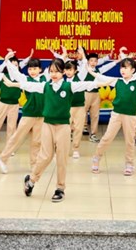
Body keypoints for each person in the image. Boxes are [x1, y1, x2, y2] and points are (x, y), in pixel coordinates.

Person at [7, 58, 96, 203]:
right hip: (47, 125)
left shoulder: (69, 86)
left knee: (61, 158)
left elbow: (89, 84)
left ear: (63, 72)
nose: (54, 74)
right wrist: (12, 84)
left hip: (63, 126)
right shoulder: (45, 86)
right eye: (51, 71)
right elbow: (28, 85)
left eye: (57, 71)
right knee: (45, 156)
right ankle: (31, 180)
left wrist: (110, 81)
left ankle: (60, 188)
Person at [91, 56, 136, 176]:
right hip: (116, 114)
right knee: (107, 138)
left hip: (130, 116)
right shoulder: (117, 81)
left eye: (126, 68)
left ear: (133, 70)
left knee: (130, 141)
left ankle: (129, 164)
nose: (123, 70)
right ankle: (96, 158)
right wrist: (90, 71)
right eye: (122, 68)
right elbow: (101, 77)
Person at [0, 57, 47, 174]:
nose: (32, 71)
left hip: (41, 115)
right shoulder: (25, 79)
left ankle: (34, 164)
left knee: (37, 141)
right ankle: (3, 158)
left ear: (40, 69)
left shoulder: (45, 78)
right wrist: (7, 61)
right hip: (29, 114)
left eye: (35, 69)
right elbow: (15, 72)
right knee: (17, 137)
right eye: (30, 69)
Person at [78, 45, 126, 143]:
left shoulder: (98, 71)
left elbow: (107, 67)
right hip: (85, 94)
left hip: (96, 94)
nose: (93, 63)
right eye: (91, 61)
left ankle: (93, 134)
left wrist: (117, 61)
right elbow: (84, 62)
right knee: (82, 113)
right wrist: (82, 54)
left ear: (97, 62)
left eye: (95, 61)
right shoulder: (84, 69)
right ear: (88, 61)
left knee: (95, 115)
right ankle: (80, 131)